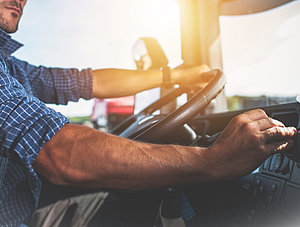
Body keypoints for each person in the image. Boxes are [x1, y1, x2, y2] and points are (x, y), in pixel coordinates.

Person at [0, 0, 297, 226]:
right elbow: (59, 151)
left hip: (23, 213)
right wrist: (214, 159)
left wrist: (172, 77)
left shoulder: (10, 66)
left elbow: (82, 81)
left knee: (119, 201)